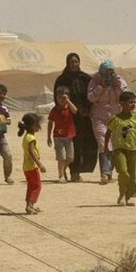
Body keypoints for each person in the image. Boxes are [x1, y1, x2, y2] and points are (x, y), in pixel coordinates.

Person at [53, 52, 98, 182]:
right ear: (67, 63)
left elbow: (92, 96)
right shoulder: (62, 79)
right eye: (71, 62)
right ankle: (73, 171)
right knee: (72, 144)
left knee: (85, 143)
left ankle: (78, 170)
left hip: (84, 116)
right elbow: (57, 98)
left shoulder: (86, 79)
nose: (74, 64)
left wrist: (87, 109)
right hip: (68, 116)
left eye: (76, 61)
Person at [105, 91, 136, 206]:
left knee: (131, 175)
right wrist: (106, 146)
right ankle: (121, 194)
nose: (133, 105)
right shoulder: (115, 119)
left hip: (132, 150)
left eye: (134, 102)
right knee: (123, 172)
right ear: (122, 103)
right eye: (130, 102)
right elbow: (108, 132)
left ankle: (127, 197)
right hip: (119, 149)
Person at [87, 59, 127, 184]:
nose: (109, 75)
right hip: (99, 116)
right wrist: (101, 86)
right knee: (103, 143)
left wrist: (116, 83)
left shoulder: (118, 80)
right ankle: (104, 172)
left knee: (115, 144)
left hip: (115, 116)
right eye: (107, 73)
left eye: (111, 72)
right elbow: (91, 97)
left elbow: (124, 94)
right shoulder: (94, 81)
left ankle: (110, 169)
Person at [47, 85, 78, 183]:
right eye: (59, 97)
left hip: (69, 137)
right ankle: (60, 176)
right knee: (61, 157)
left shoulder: (69, 108)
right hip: (58, 137)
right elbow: (50, 123)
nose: (61, 99)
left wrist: (68, 101)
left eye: (63, 97)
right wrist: (48, 136)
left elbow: (75, 111)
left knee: (70, 157)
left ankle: (64, 169)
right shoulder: (54, 110)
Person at [18, 113, 47, 215]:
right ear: (31, 126)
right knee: (37, 186)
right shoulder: (31, 138)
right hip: (32, 166)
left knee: (31, 186)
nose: (39, 127)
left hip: (26, 166)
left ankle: (29, 206)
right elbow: (31, 152)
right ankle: (30, 205)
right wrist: (40, 164)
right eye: (37, 124)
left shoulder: (27, 136)